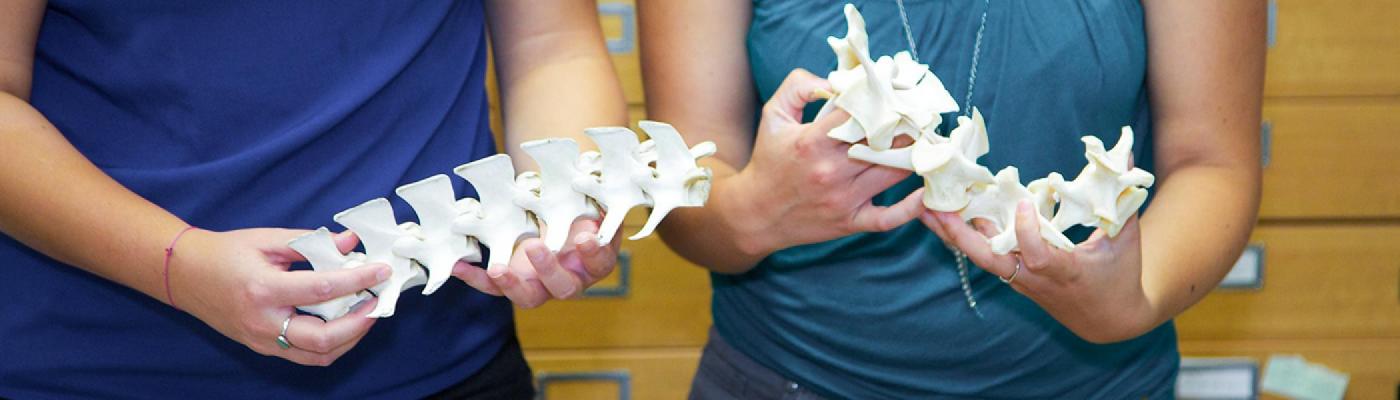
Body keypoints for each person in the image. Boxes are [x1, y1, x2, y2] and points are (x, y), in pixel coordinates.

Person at [0, 1, 626, 398]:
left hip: (443, 359)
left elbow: (551, 46)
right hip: (102, 366)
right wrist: (175, 265)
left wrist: (566, 201)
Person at [639, 0, 1263, 398]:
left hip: (1099, 385)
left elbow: (1212, 164)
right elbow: (688, 181)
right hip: (789, 376)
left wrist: (1127, 303)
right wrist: (753, 211)